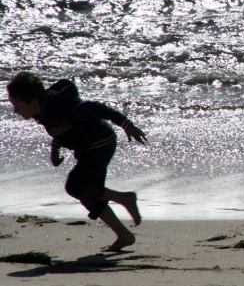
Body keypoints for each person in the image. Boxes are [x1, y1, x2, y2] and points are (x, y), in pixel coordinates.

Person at [7, 72, 147, 251]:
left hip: (100, 143)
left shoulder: (61, 105)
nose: (15, 111)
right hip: (86, 148)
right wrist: (55, 147)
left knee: (76, 187)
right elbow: (63, 127)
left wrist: (127, 125)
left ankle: (124, 198)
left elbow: (97, 108)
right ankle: (124, 235)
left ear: (33, 103)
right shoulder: (41, 110)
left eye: (17, 106)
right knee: (86, 194)